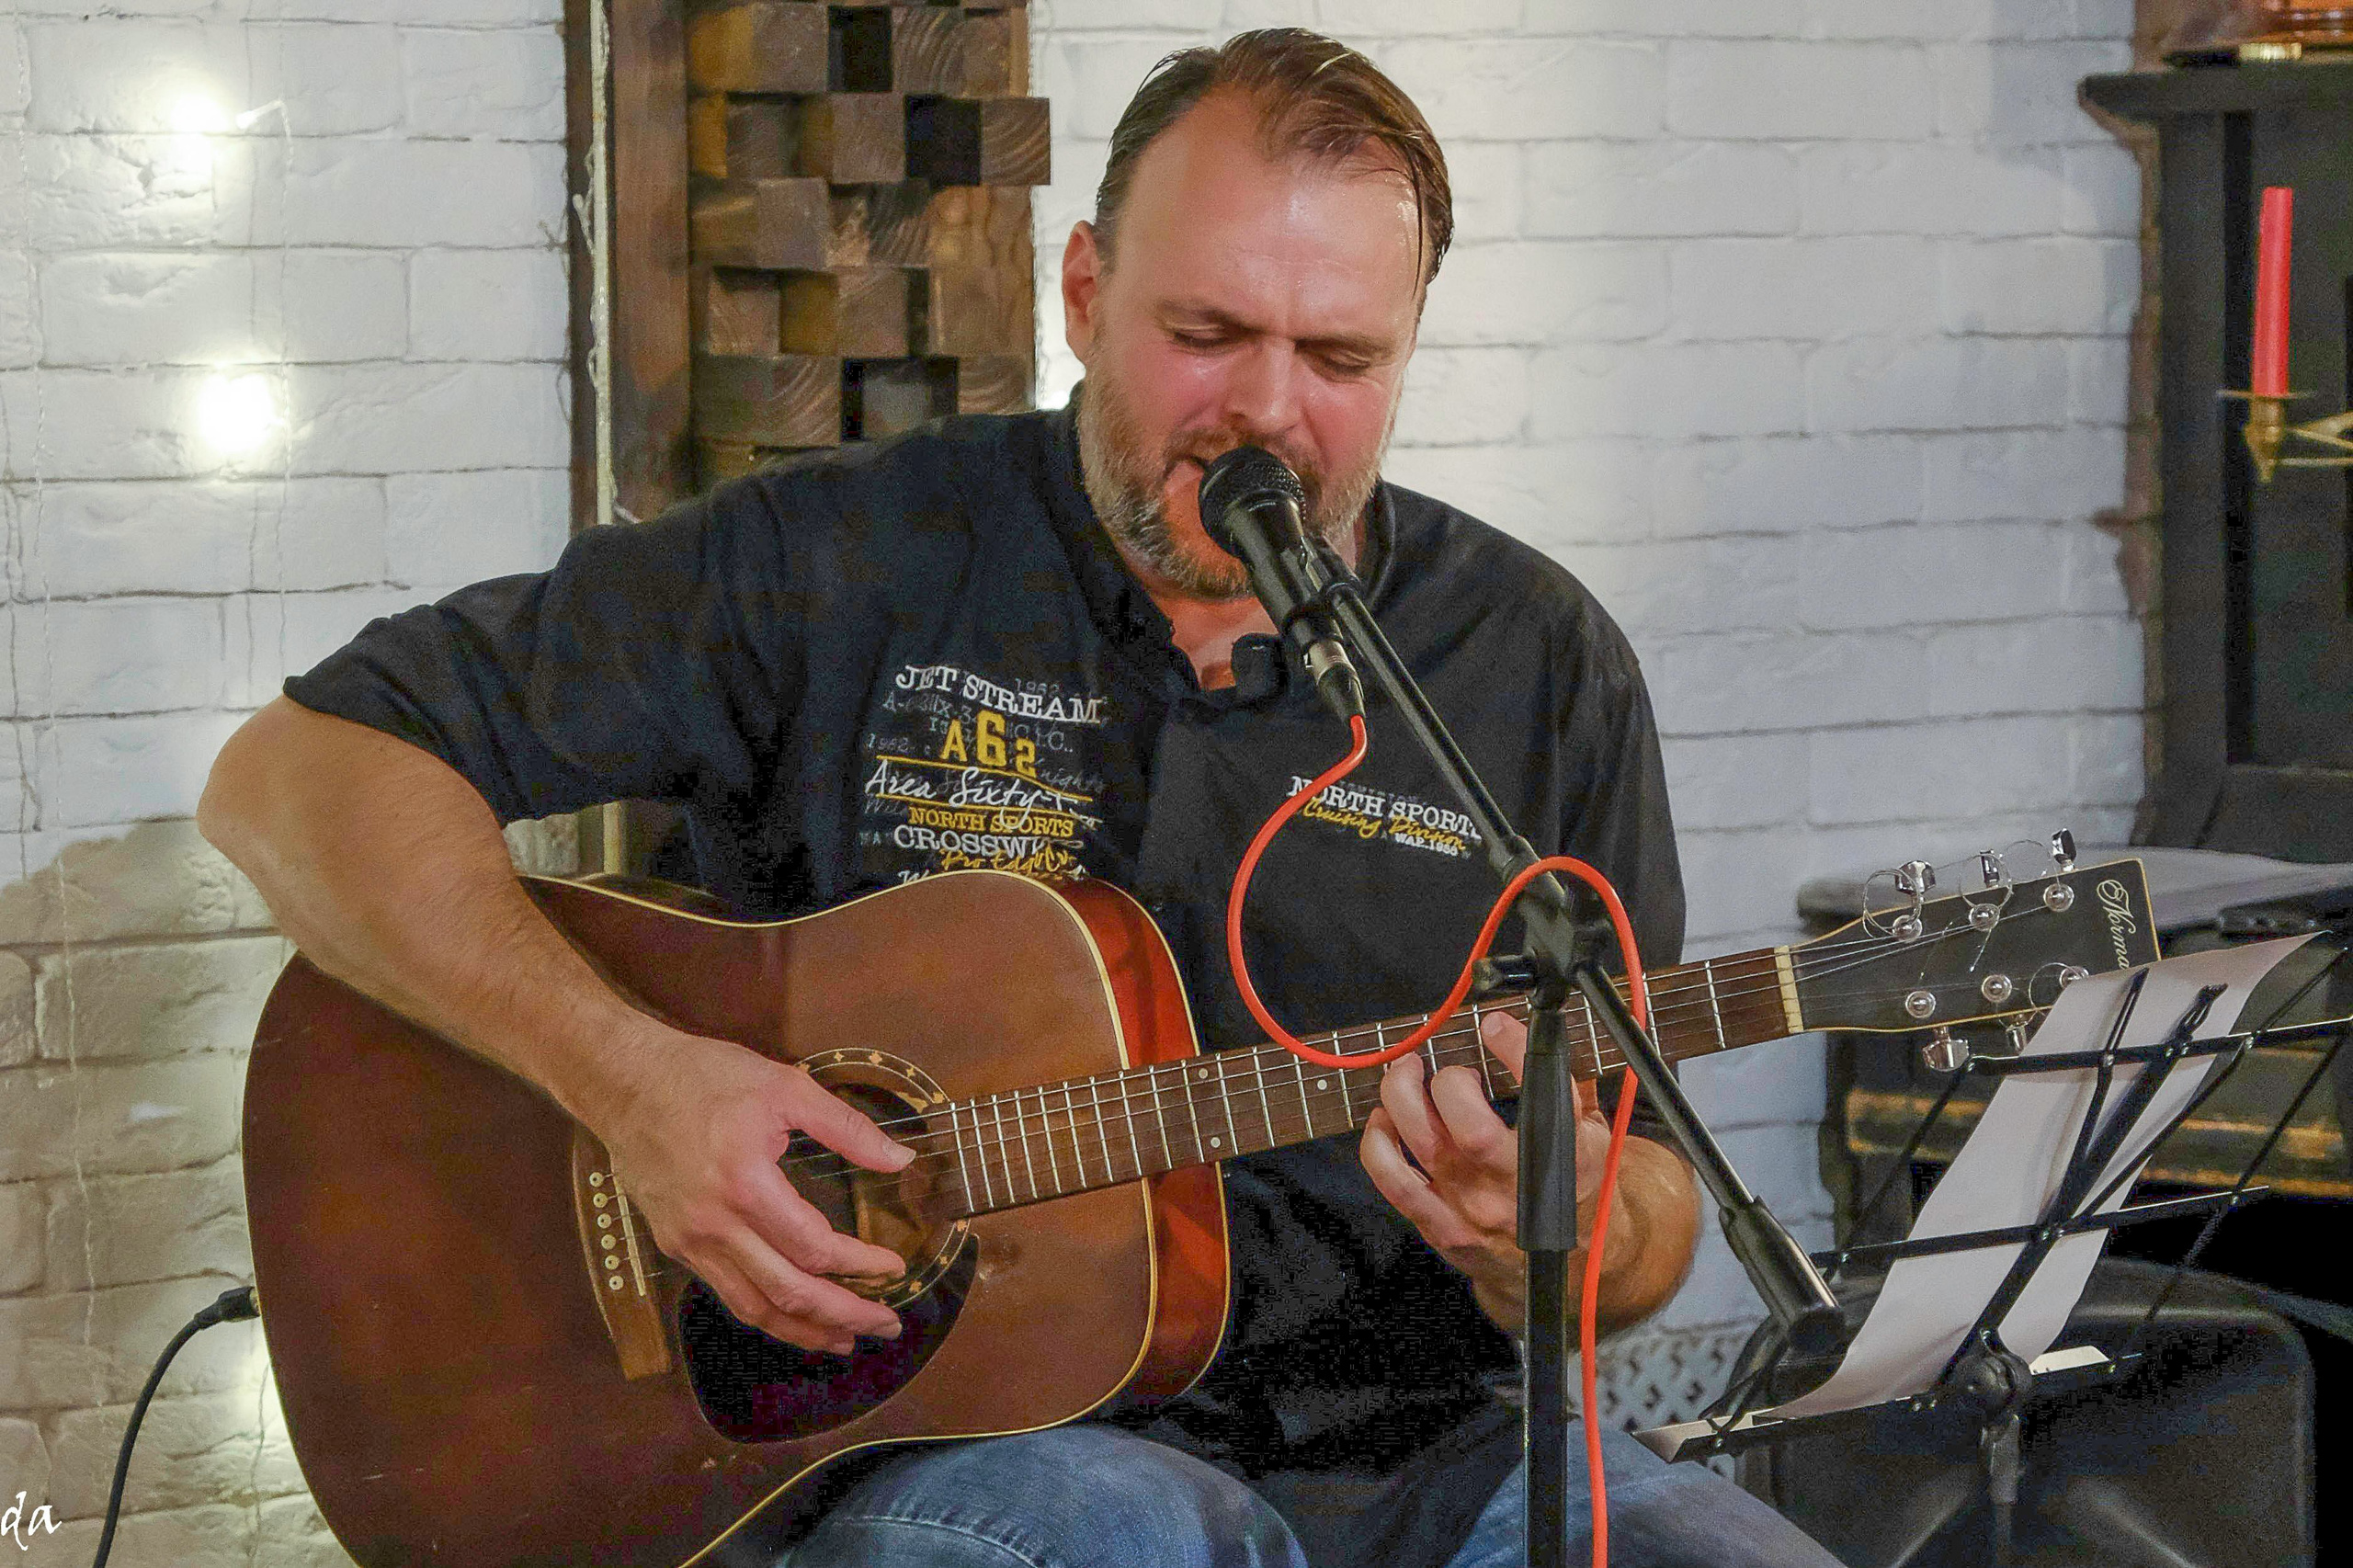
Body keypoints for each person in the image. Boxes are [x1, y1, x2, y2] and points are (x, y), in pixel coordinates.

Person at [200, 28, 1839, 1568]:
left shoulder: (1533, 661)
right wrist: (634, 1081)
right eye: (1207, 336)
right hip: (945, 1435)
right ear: (1083, 290)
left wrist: (1546, 1230)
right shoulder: (849, 557)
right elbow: (295, 777)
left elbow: (1647, 1211)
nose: (1270, 409)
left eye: (1341, 356)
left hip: (1418, 1443)